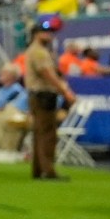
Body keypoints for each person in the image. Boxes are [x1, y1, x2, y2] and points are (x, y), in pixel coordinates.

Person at [23, 18, 74, 181]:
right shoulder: (39, 51)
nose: (50, 35)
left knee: (39, 133)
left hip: (37, 96)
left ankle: (38, 169)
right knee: (47, 134)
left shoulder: (38, 50)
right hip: (43, 95)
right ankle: (48, 170)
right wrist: (65, 91)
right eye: (46, 32)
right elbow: (47, 74)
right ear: (37, 34)